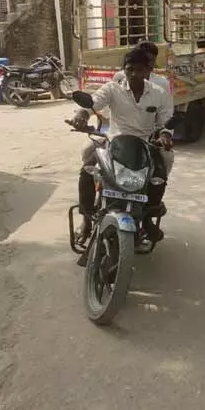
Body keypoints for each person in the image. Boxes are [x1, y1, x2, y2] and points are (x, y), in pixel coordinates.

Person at [71, 47, 175, 259]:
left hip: (145, 144)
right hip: (115, 141)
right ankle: (86, 218)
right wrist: (81, 115)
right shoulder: (112, 88)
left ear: (148, 71)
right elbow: (93, 104)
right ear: (124, 70)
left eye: (139, 70)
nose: (134, 74)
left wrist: (165, 136)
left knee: (160, 173)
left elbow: (165, 122)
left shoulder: (160, 93)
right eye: (129, 69)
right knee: (87, 169)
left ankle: (147, 217)